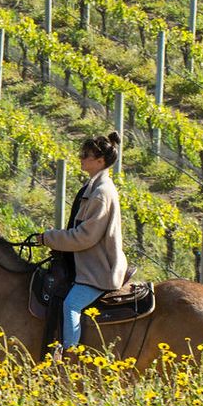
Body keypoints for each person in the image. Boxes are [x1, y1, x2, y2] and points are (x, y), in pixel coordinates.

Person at [42, 130, 128, 352]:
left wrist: (49, 238)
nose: (81, 157)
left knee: (71, 305)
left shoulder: (101, 193)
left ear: (100, 161)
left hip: (98, 270)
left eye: (86, 155)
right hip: (88, 265)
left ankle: (70, 358)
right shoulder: (94, 187)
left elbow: (84, 237)